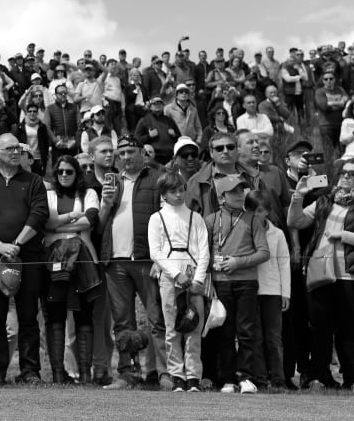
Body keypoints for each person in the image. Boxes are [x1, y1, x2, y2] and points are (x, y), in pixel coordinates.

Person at [288, 157, 354, 394]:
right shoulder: (325, 201)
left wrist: (343, 234)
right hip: (321, 272)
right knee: (320, 328)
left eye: (353, 174)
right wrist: (298, 196)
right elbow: (296, 221)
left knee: (352, 330)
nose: (346, 177)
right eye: (343, 173)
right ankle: (319, 377)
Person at [97, 135, 166, 390]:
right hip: (116, 262)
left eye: (131, 151)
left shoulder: (157, 179)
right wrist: (106, 203)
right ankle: (127, 374)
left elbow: (167, 221)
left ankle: (161, 372)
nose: (126, 157)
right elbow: (100, 224)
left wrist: (162, 259)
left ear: (142, 154)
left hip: (148, 260)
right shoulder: (111, 181)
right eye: (122, 152)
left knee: (156, 318)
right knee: (123, 323)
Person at [0, 133, 49, 385]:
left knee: (28, 316)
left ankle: (30, 370)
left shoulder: (33, 181)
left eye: (18, 148)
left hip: (27, 257)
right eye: (9, 148)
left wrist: (17, 244)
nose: (15, 151)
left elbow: (39, 213)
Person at [204, 177, 269, 394]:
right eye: (233, 191)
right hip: (220, 283)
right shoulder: (211, 220)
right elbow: (204, 253)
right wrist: (210, 279)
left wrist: (237, 262)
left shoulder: (253, 220)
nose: (240, 194)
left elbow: (264, 253)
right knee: (224, 332)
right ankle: (228, 379)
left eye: (241, 189)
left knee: (247, 331)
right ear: (222, 197)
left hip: (247, 282)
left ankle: (245, 377)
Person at [148, 171, 209, 392]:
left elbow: (204, 251)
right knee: (172, 328)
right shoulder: (157, 218)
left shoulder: (196, 217)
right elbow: (156, 252)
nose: (178, 194)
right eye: (173, 191)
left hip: (194, 277)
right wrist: (175, 273)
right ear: (164, 194)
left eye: (181, 189)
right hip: (169, 277)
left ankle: (194, 376)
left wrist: (198, 279)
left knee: (194, 327)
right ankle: (177, 375)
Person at [42, 155, 101, 384]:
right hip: (53, 260)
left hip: (84, 258)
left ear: (77, 173)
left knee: (84, 316)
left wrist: (59, 225)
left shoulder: (89, 194)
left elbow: (90, 220)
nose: (64, 175)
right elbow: (45, 222)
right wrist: (71, 218)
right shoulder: (47, 195)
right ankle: (58, 374)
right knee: (55, 315)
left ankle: (86, 375)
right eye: (60, 172)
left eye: (69, 171)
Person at [248, 191, 290, 391]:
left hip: (273, 290)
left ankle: (279, 378)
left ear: (268, 212)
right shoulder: (244, 229)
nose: (256, 214)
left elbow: (284, 263)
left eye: (260, 211)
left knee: (274, 337)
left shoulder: (278, 233)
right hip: (250, 289)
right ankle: (259, 378)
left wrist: (286, 293)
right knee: (255, 336)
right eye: (252, 210)